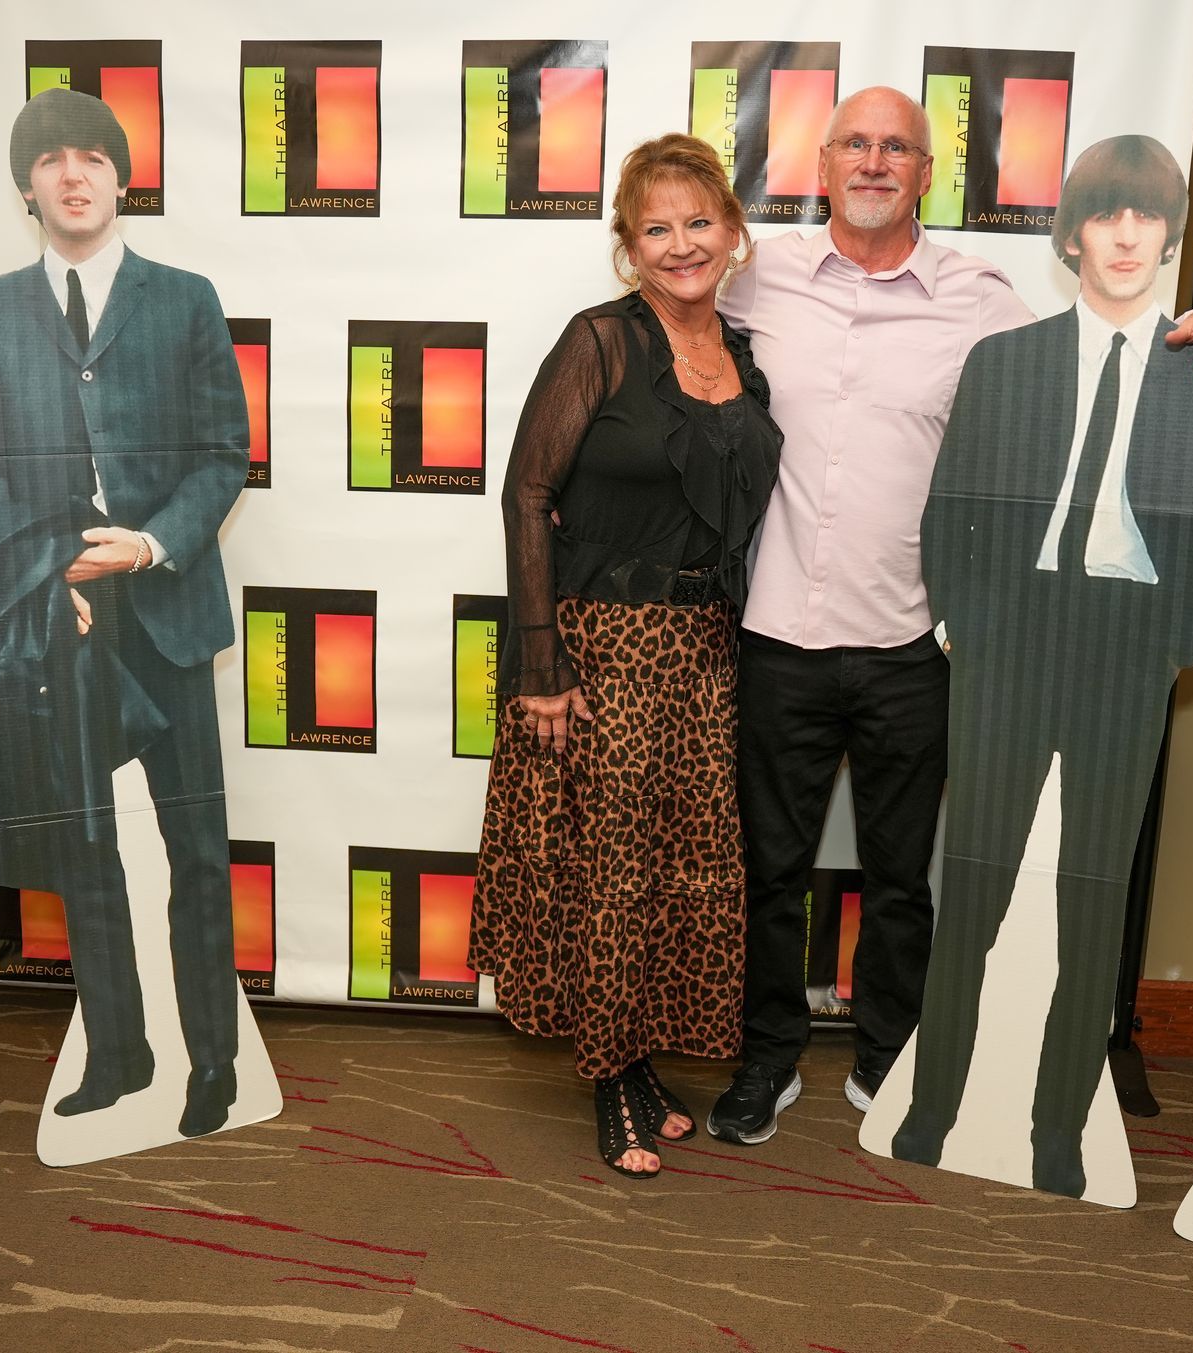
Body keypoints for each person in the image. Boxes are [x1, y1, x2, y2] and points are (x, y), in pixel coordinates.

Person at [706, 86, 1193, 1145]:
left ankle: (888, 1056)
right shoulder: (752, 281)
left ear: (925, 173)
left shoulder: (982, 300)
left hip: (917, 640)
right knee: (768, 873)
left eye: (897, 147)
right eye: (855, 144)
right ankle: (764, 1059)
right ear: (824, 166)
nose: (874, 162)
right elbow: (667, 322)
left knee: (903, 877)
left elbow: (1099, 347)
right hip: (775, 635)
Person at [890, 135, 1193, 1196]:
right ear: (1072, 234)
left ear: (1171, 232)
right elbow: (950, 507)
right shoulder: (1006, 363)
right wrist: (961, 629)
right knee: (978, 884)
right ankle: (936, 1105)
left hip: (1126, 645)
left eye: (1149, 215)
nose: (1130, 234)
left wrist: (1169, 650)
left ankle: (1060, 1130)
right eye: (1108, 214)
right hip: (1008, 637)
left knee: (1090, 900)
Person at [0, 89, 250, 1139]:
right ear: (27, 184)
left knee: (198, 847)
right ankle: (120, 1053)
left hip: (163, 607)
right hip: (57, 619)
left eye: (93, 158)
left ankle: (214, 1062)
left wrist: (151, 543)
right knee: (87, 849)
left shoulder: (187, 298)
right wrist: (47, 573)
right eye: (52, 159)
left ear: (121, 178)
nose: (74, 175)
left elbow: (221, 456)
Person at [469, 133, 783, 1178]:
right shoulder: (600, 342)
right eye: (658, 227)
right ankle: (610, 1086)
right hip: (602, 647)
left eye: (701, 222)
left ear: (734, 234)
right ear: (629, 247)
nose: (682, 243)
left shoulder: (742, 354)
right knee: (605, 873)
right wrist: (541, 663)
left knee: (677, 871)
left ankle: (640, 1061)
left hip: (705, 653)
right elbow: (527, 495)